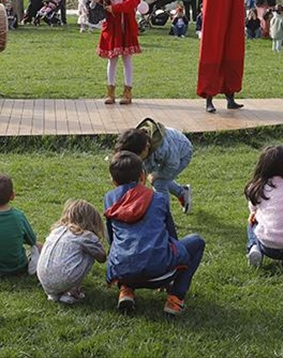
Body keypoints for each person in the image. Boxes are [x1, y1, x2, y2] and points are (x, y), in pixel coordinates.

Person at [104, 151, 204, 317]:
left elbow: (111, 238)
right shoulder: (158, 198)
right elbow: (171, 235)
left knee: (119, 246)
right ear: (142, 176)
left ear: (113, 181)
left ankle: (126, 290)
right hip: (160, 273)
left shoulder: (109, 199)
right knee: (197, 241)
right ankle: (175, 298)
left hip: (122, 271)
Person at [244, 145, 283, 272]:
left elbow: (253, 208)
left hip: (269, 246)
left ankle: (254, 248)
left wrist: (254, 213)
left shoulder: (259, 186)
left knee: (252, 222)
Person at [36, 199, 106, 304]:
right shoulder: (85, 235)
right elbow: (102, 257)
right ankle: (71, 291)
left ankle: (54, 294)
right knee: (91, 252)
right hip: (65, 279)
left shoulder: (57, 230)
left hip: (44, 280)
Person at [115, 118, 193, 213]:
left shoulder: (162, 149)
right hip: (164, 156)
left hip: (182, 155)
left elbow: (172, 165)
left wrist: (157, 175)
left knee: (159, 183)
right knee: (155, 179)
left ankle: (164, 216)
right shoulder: (137, 141)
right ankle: (182, 192)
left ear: (147, 147)